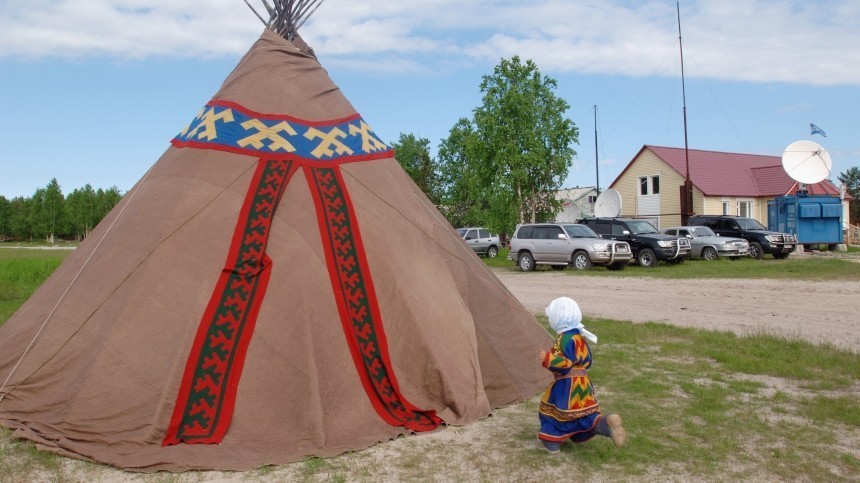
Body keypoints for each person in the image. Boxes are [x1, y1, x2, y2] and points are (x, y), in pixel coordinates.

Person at [537, 296, 626, 453]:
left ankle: (552, 442)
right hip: (583, 383)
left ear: (558, 318)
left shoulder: (564, 339)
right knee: (584, 414)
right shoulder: (579, 336)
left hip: (567, 385)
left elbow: (565, 365)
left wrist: (548, 359)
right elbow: (588, 360)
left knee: (553, 412)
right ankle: (605, 424)